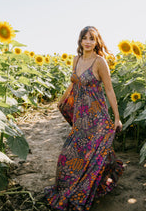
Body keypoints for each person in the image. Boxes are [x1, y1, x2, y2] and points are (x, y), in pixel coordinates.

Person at [44, 26, 124, 210]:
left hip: (97, 118)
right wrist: (62, 99)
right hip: (81, 118)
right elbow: (73, 84)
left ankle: (86, 190)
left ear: (97, 42)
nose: (88, 42)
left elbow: (109, 90)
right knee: (68, 156)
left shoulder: (99, 62)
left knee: (91, 154)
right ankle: (95, 181)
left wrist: (117, 118)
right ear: (80, 41)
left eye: (92, 39)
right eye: (84, 38)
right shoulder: (76, 59)